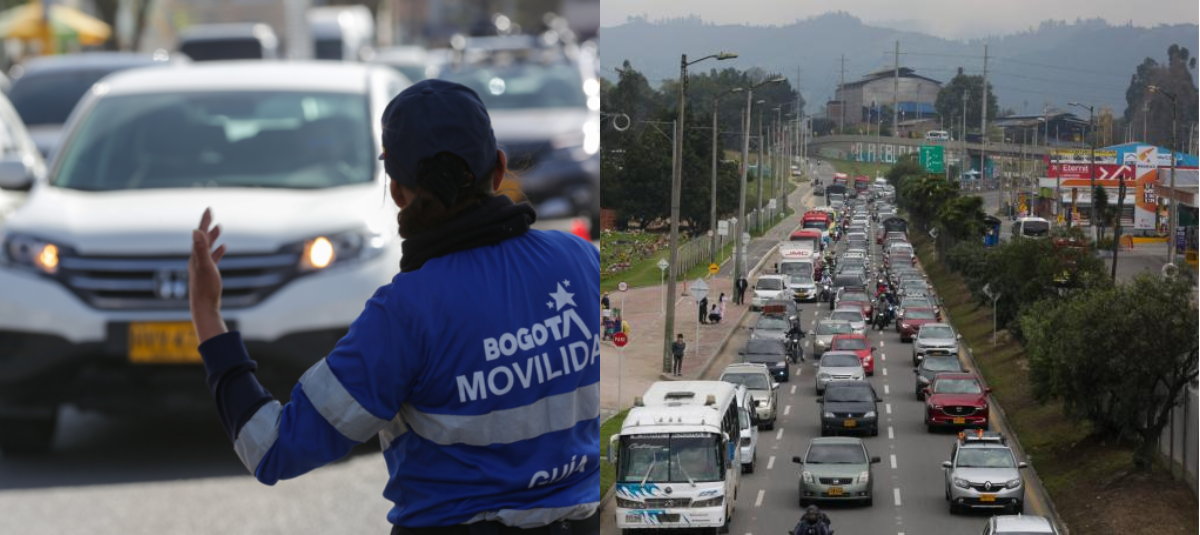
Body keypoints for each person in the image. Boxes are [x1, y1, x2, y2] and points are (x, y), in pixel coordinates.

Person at [187, 79, 600, 535]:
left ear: (398, 190)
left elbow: (269, 448)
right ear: (499, 169)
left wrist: (208, 318)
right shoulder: (582, 261)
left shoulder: (404, 314)